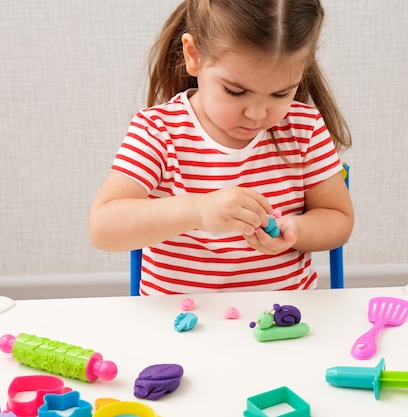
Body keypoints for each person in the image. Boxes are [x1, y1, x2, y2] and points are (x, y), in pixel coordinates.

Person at [89, 0, 354, 295]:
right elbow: (103, 227)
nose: (256, 114)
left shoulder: (304, 129)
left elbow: (338, 218)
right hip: (179, 323)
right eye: (236, 91)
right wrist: (198, 210)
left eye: (281, 93)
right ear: (194, 55)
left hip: (284, 321)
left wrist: (297, 231)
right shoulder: (158, 131)